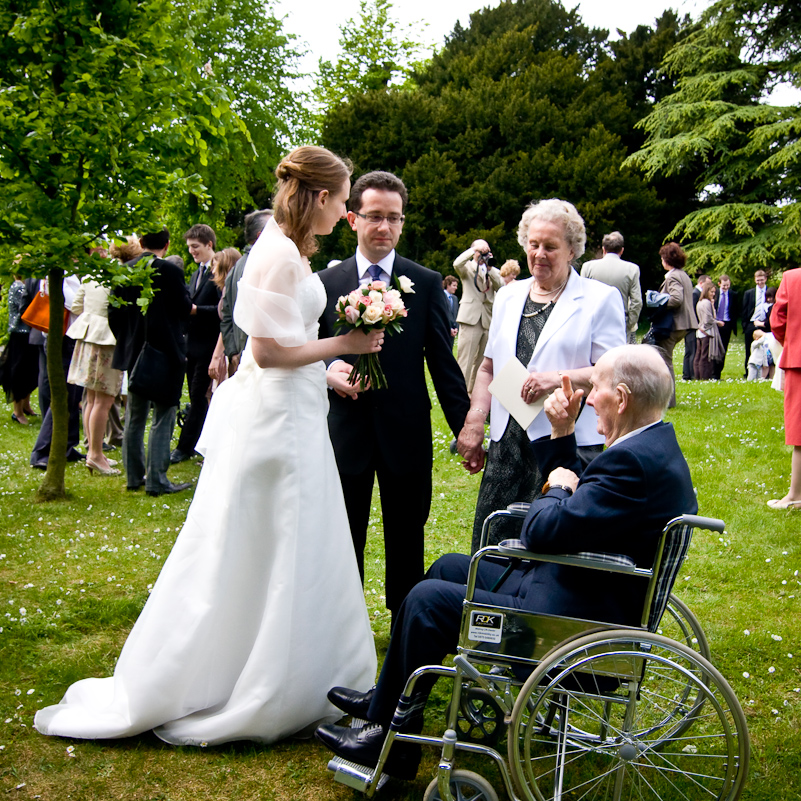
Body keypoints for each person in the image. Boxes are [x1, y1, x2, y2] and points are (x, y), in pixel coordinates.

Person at [35, 145, 381, 745]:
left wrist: (321, 370)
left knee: (291, 541)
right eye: (345, 201)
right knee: (270, 540)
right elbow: (267, 353)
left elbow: (280, 343)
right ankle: (256, 677)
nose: (346, 213)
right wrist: (343, 347)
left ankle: (307, 669)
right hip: (277, 425)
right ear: (320, 197)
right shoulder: (274, 253)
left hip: (294, 410)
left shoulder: (287, 249)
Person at [316, 344, 698, 776]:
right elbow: (577, 501)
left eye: (597, 389)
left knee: (426, 601)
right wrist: (562, 443)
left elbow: (542, 531)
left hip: (568, 623)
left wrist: (555, 487)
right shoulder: (650, 446)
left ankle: (390, 739)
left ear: (623, 398)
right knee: (447, 567)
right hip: (579, 591)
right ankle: (387, 700)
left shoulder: (630, 462)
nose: (589, 398)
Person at [317, 170, 472, 622]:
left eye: (393, 218)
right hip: (344, 428)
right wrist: (330, 371)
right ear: (352, 219)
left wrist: (465, 429)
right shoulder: (326, 283)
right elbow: (305, 352)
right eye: (374, 216)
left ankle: (408, 622)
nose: (383, 226)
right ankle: (341, 625)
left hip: (406, 429)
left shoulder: (423, 283)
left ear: (402, 223)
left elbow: (443, 364)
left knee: (407, 532)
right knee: (344, 530)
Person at [457, 199, 626, 553]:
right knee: (492, 539)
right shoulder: (508, 295)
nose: (540, 254)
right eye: (533, 245)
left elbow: (612, 371)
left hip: (561, 443)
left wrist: (553, 378)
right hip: (508, 443)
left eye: (550, 246)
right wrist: (475, 422)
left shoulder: (599, 299)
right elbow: (489, 367)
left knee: (546, 544)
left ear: (572, 250)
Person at [108, 228, 193, 496]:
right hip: (166, 351)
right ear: (167, 245)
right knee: (163, 416)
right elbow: (183, 308)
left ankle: (134, 476)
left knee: (134, 416)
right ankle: (156, 479)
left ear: (141, 243)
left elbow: (113, 312)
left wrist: (127, 340)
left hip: (134, 351)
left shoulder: (125, 270)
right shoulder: (170, 271)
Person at [170, 224, 220, 464]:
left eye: (195, 247)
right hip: (192, 344)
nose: (191, 251)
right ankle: (199, 441)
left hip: (210, 345)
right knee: (194, 394)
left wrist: (196, 310)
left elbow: (223, 310)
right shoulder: (195, 273)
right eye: (189, 247)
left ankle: (185, 446)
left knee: (199, 396)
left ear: (209, 244)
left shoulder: (220, 271)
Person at [65, 277, 123, 475]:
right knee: (103, 400)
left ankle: (93, 451)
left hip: (88, 334)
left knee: (91, 398)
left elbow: (76, 306)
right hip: (106, 339)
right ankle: (96, 455)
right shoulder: (120, 276)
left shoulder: (92, 274)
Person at [221, 209, 273, 376]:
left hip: (245, 356)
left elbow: (226, 315)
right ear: (260, 236)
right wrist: (237, 352)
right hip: (259, 361)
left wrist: (233, 352)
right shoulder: (258, 265)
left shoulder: (236, 267)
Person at [767, 268, 801, 509]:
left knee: (800, 432)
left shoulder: (792, 278)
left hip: (799, 358)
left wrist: (791, 341)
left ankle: (796, 494)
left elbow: (778, 321)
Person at [454, 239, 503, 393]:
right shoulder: (467, 268)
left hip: (487, 321)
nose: (484, 253)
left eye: (486, 250)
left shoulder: (491, 271)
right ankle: (459, 394)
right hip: (470, 319)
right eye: (482, 250)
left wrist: (490, 267)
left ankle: (473, 394)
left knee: (481, 363)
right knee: (465, 360)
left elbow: (501, 286)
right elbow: (457, 263)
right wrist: (474, 250)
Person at [653, 243, 697, 406]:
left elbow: (676, 299)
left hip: (674, 324)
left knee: (665, 361)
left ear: (666, 259)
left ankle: (668, 401)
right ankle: (667, 399)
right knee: (666, 359)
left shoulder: (672, 276)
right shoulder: (683, 274)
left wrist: (658, 300)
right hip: (685, 323)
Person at [580, 231, 642, 344]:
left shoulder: (588, 267)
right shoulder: (632, 269)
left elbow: (581, 296)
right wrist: (630, 323)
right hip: (620, 320)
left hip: (593, 320)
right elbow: (637, 301)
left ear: (603, 249)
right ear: (622, 250)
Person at [2, 274, 39, 424]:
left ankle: (25, 405)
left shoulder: (23, 285)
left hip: (26, 333)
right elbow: (23, 311)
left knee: (30, 371)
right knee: (21, 372)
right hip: (21, 334)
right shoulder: (18, 287)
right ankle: (17, 411)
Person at [206, 247, 242, 393]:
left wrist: (216, 356)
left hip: (230, 348)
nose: (213, 271)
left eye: (216, 266)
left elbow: (228, 324)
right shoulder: (226, 289)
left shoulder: (230, 289)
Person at [693, 281, 724, 380]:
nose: (713, 294)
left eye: (714, 292)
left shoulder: (700, 302)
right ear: (706, 291)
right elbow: (708, 319)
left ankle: (698, 376)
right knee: (705, 356)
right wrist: (718, 322)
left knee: (699, 355)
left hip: (700, 331)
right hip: (706, 332)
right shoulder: (706, 303)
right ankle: (704, 377)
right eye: (711, 292)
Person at [681, 274, 710, 381]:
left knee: (690, 351)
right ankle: (690, 374)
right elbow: (692, 311)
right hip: (692, 326)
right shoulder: (695, 294)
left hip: (691, 326)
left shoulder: (695, 293)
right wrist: (698, 326)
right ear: (701, 283)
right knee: (692, 351)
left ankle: (688, 374)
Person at [742, 269, 768, 377]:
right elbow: (744, 309)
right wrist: (745, 325)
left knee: (766, 349)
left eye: (761, 280)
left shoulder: (770, 292)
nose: (759, 282)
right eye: (757, 280)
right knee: (749, 349)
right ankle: (748, 373)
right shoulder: (749, 293)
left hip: (765, 324)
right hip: (751, 323)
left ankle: (764, 373)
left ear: (765, 279)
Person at [714, 274, 739, 379]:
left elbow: (735, 310)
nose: (726, 288)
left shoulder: (733, 295)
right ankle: (713, 372)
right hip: (716, 324)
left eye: (727, 285)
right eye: (724, 285)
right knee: (715, 348)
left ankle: (719, 372)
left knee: (723, 349)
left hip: (727, 324)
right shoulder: (715, 294)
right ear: (719, 284)